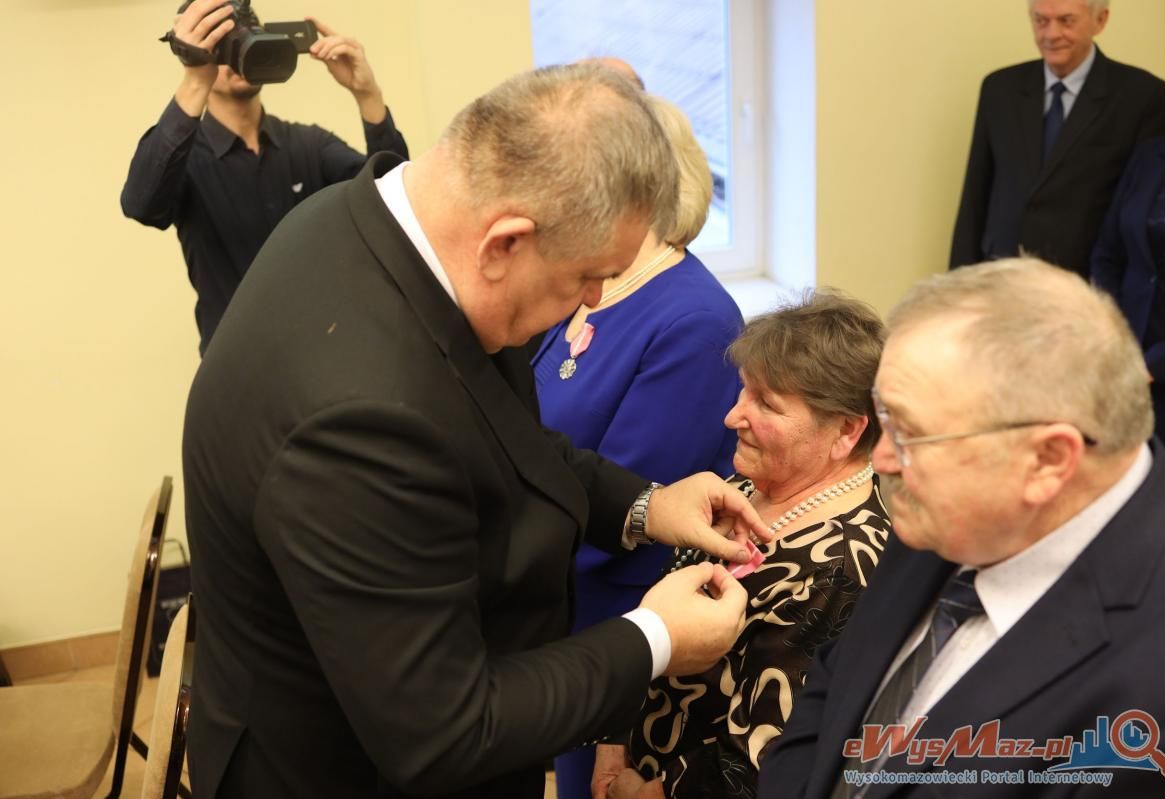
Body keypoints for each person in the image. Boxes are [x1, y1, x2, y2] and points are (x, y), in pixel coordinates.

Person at [183, 64, 774, 799]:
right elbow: (445, 732)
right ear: (504, 245)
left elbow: (507, 440)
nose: (594, 299)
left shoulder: (363, 223)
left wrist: (646, 505)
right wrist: (655, 638)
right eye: (586, 276)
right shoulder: (360, 419)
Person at [758, 259, 1165, 798]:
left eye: (909, 433)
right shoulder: (948, 504)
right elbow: (835, 690)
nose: (884, 459)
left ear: (1047, 460)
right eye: (884, 417)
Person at [592, 292, 892, 799]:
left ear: (845, 430)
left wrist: (645, 794)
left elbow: (763, 761)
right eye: (743, 392)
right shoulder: (744, 488)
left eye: (766, 404)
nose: (733, 417)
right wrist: (614, 740)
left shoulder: (841, 567)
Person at [532, 95, 744, 799]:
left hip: (621, 619)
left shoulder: (695, 319)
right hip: (561, 603)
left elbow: (637, 494)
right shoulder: (595, 282)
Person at [120, 0, 409, 353]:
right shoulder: (187, 159)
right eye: (224, 41)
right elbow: (140, 205)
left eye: (246, 35)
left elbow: (395, 211)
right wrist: (196, 78)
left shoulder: (309, 145)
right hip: (236, 367)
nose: (239, 50)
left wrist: (368, 96)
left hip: (323, 357)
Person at [949, 0, 1165, 277]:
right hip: (1000, 274)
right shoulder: (999, 89)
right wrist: (958, 282)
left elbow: (1144, 208)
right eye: (1041, 21)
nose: (1051, 34)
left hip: (1086, 282)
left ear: (1100, 20)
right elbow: (975, 194)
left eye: (1066, 21)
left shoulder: (1141, 97)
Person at [1090, 31, 1165, 487]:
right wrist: (1112, 334)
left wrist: (1155, 365)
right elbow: (1109, 252)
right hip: (1123, 371)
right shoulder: (1151, 155)